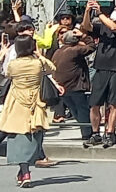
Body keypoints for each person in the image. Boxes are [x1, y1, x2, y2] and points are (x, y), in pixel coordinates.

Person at [0, 35, 57, 187]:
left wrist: (4, 52)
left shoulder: (14, 64)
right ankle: (24, 172)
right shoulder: (38, 63)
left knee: (16, 137)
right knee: (32, 138)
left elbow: (6, 74)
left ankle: (24, 172)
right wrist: (39, 55)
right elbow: (52, 68)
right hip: (35, 102)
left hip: (16, 101)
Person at [80, 0, 116, 148]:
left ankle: (110, 132)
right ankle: (95, 133)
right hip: (101, 67)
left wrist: (100, 12)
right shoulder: (103, 25)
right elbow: (86, 27)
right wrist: (87, 11)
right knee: (94, 103)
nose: (115, 13)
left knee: (113, 103)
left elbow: (114, 28)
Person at [52, 30, 96, 144]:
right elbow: (91, 47)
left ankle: (85, 130)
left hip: (62, 86)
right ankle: (87, 133)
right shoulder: (74, 50)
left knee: (74, 109)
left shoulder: (58, 51)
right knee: (82, 109)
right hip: (75, 85)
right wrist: (84, 36)